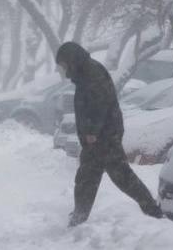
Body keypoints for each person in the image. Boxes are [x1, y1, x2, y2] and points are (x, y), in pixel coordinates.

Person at [55, 41, 162, 227]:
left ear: (72, 61)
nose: (63, 70)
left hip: (104, 135)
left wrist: (91, 131)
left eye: (64, 65)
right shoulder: (84, 72)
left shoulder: (92, 72)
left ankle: (152, 209)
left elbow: (99, 103)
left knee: (116, 175)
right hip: (99, 136)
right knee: (91, 175)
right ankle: (80, 214)